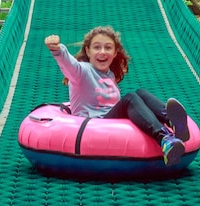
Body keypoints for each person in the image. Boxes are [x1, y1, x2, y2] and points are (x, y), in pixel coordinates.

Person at [44, 26, 191, 165]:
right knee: (130, 98)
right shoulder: (81, 72)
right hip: (94, 124)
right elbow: (68, 64)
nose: (102, 52)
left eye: (108, 48)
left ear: (115, 53)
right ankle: (164, 139)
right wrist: (57, 49)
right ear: (88, 51)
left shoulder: (110, 75)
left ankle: (172, 121)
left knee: (141, 92)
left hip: (112, 121)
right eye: (97, 47)